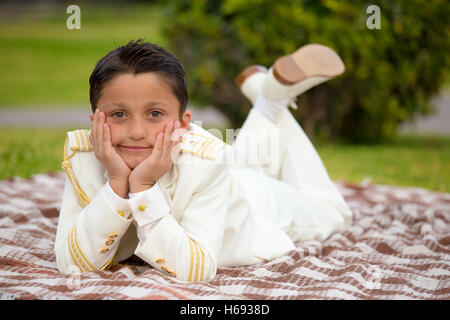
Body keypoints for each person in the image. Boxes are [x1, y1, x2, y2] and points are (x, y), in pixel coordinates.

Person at [54, 39, 353, 282]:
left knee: (335, 212)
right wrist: (118, 183)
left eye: (155, 114)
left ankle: (271, 100)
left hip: (255, 204)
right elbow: (71, 262)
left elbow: (195, 271)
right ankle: (267, 100)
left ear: (184, 124)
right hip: (225, 171)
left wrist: (143, 187)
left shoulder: (207, 164)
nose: (136, 132)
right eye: (119, 115)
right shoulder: (84, 159)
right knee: (240, 162)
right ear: (95, 121)